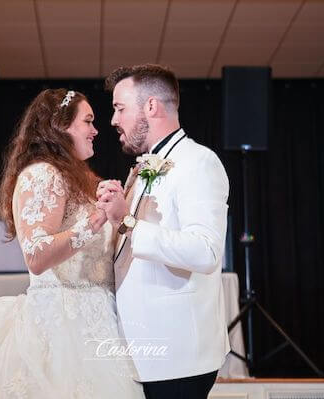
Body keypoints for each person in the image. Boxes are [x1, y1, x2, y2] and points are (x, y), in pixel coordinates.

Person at [0, 89, 145, 399]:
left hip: (97, 319)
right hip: (62, 327)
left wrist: (122, 203)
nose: (95, 130)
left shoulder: (76, 177)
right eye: (88, 121)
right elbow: (36, 255)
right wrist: (96, 219)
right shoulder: (42, 174)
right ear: (60, 126)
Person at [96, 64, 230, 399]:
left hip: (178, 353)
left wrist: (127, 222)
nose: (113, 120)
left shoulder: (198, 161)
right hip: (145, 351)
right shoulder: (145, 166)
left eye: (119, 108)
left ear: (151, 107)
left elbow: (206, 252)